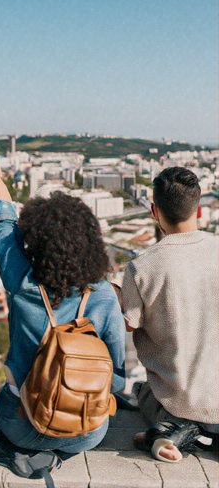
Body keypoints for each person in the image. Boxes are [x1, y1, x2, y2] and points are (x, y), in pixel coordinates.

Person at [0, 86, 125, 461]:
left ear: (36, 241)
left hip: (22, 425)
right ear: (90, 242)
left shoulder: (23, 283)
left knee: (1, 397)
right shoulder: (106, 296)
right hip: (86, 433)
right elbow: (118, 375)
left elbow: (0, 208)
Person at [121, 166, 219, 462]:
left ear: (154, 211)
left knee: (142, 390)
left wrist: (118, 297)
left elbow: (129, 325)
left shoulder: (142, 267)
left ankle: (170, 431)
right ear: (199, 210)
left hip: (179, 401)